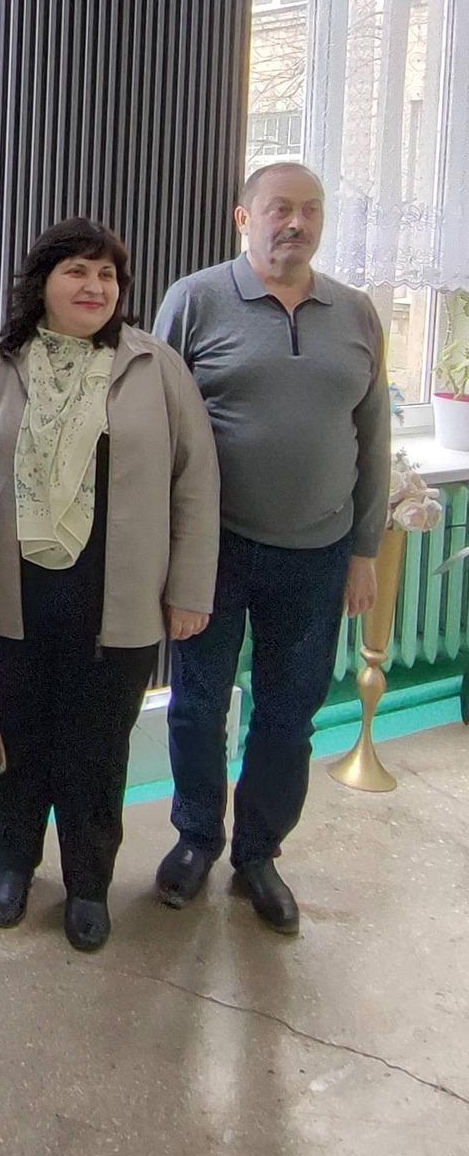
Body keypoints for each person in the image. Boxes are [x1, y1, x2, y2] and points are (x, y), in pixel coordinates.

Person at [0, 219, 221, 952]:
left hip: (118, 601)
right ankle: (14, 865)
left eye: (107, 275)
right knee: (18, 749)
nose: (94, 286)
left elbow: (197, 482)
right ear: (42, 282)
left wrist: (191, 589)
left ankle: (87, 885)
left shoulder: (155, 366)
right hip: (10, 595)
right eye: (77, 270)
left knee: (98, 753)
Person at [153, 162, 392, 933]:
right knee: (197, 706)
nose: (297, 223)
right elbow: (156, 427)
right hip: (212, 550)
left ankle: (259, 854)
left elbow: (374, 441)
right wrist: (163, 549)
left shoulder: (356, 313)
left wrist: (363, 552)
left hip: (319, 554)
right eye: (280, 208)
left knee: (290, 715)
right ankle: (196, 837)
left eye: (311, 210)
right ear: (242, 218)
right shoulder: (195, 300)